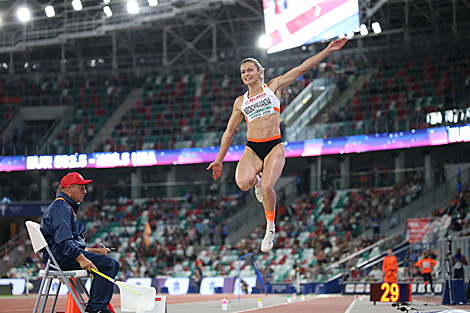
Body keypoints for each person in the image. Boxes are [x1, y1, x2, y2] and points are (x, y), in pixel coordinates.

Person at [207, 38, 348, 252]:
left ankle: (270, 227)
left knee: (268, 187)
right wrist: (218, 160)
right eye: (243, 72)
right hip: (253, 148)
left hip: (274, 146)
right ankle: (256, 180)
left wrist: (328, 49)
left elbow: (302, 68)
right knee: (243, 183)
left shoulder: (274, 86)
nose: (246, 74)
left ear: (259, 71)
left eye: (250, 70)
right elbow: (229, 132)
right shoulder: (240, 101)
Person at [40, 172, 119, 313]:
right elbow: (64, 242)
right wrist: (82, 259)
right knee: (109, 264)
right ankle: (96, 308)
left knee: (108, 261)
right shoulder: (60, 207)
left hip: (61, 256)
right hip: (59, 259)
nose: (85, 191)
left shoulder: (65, 207)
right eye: (81, 188)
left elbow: (71, 244)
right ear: (69, 189)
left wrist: (96, 252)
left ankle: (97, 306)